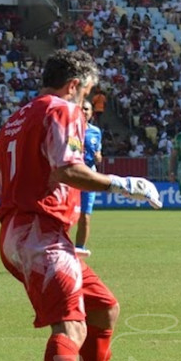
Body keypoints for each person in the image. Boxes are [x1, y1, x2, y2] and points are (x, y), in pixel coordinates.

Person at [0, 49, 162, 361]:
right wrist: (123, 184)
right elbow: (65, 169)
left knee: (104, 309)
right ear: (75, 85)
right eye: (87, 91)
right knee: (71, 327)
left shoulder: (16, 119)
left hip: (26, 231)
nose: (88, 103)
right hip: (40, 234)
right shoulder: (62, 109)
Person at [73, 99, 104, 256]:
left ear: (91, 113)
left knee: (85, 216)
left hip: (88, 177)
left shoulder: (96, 132)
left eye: (87, 109)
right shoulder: (69, 129)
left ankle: (79, 250)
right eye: (81, 109)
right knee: (64, 216)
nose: (84, 112)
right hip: (70, 176)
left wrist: (98, 156)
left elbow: (97, 151)